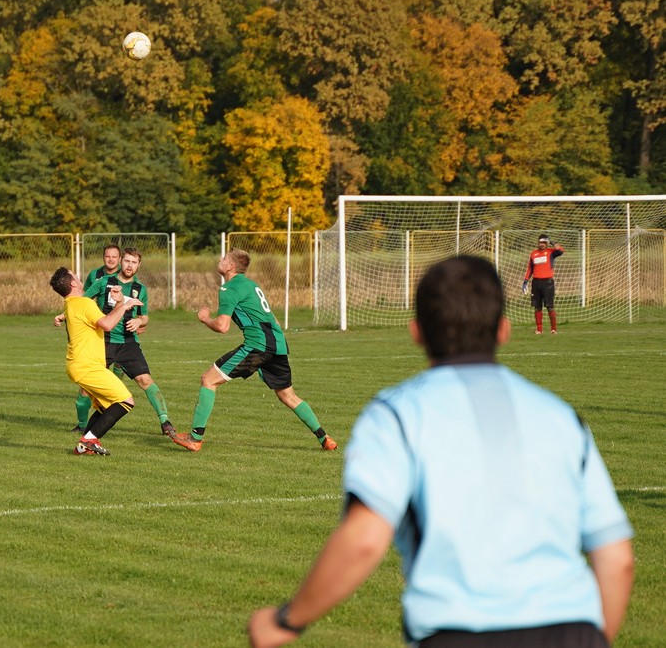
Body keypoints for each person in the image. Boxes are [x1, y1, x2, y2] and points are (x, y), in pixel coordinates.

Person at [247, 256, 634, 648]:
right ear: (503, 330)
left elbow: (364, 540)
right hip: (575, 632)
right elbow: (617, 559)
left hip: (460, 634)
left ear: (417, 332)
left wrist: (286, 621)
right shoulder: (562, 417)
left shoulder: (396, 414)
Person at [171, 249, 337, 453]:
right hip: (278, 344)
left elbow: (223, 326)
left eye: (224, 258)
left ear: (231, 267)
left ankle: (195, 438)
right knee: (288, 396)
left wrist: (205, 318)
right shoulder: (252, 285)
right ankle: (325, 438)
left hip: (258, 345)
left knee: (208, 379)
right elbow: (273, 319)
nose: (220, 260)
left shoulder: (229, 289)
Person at [81, 247, 175, 435]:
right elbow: (81, 302)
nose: (129, 265)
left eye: (134, 262)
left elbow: (145, 316)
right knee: (87, 387)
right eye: (127, 261)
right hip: (103, 341)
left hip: (128, 343)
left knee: (145, 379)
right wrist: (63, 315)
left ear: (139, 265)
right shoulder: (104, 282)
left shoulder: (140, 289)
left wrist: (139, 320)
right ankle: (83, 425)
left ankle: (165, 422)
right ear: (121, 262)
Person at [50, 267, 142, 456]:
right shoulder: (83, 303)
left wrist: (118, 303)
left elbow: (104, 320)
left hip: (79, 365)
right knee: (126, 401)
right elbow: (108, 324)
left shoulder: (71, 303)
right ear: (73, 283)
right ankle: (88, 441)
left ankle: (83, 446)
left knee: (106, 406)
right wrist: (124, 305)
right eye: (75, 274)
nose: (78, 275)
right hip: (87, 366)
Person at [522, 233, 564, 334]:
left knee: (550, 307)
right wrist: (525, 281)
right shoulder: (533, 253)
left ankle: (553, 329)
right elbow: (530, 269)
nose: (542, 244)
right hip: (536, 283)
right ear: (538, 243)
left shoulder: (551, 252)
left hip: (548, 283)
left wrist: (553, 242)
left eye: (544, 242)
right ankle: (539, 329)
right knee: (537, 307)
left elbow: (561, 251)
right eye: (540, 242)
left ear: (547, 243)